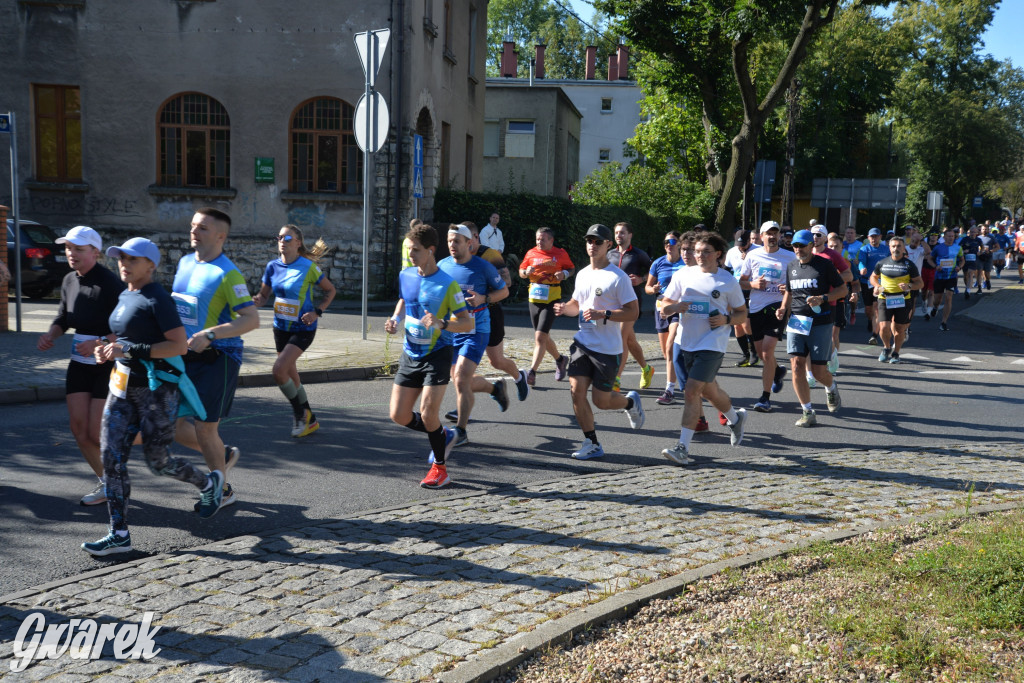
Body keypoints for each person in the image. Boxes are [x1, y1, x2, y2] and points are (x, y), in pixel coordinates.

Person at [81, 238, 223, 556]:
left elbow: (178, 346)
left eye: (133, 259)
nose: (124, 263)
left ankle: (208, 484)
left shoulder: (158, 298)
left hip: (157, 391)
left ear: (151, 265)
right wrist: (106, 345)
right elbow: (126, 333)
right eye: (121, 258)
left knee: (158, 462)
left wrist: (128, 349)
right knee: (111, 457)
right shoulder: (126, 293)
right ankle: (118, 533)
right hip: (121, 388)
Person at [171, 208, 260, 515]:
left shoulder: (227, 273)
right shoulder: (184, 263)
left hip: (218, 358)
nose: (194, 231)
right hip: (182, 357)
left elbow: (251, 319)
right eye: (193, 225)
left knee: (205, 428)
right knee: (169, 425)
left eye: (203, 228)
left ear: (221, 236)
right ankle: (222, 457)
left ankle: (221, 491)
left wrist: (210, 334)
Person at [37, 226, 125, 505]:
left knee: (96, 431)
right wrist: (51, 334)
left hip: (106, 363)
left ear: (95, 252)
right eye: (68, 248)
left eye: (78, 249)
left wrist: (100, 341)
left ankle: (116, 477)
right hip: (79, 363)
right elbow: (63, 316)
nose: (71, 254)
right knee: (78, 429)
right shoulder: (68, 280)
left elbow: (128, 327)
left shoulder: (110, 283)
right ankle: (107, 483)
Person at [385, 222, 473, 489]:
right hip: (410, 353)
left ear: (431, 251)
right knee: (398, 415)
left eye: (416, 250)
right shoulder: (407, 275)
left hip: (437, 353)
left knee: (427, 413)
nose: (411, 255)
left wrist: (442, 323)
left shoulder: (447, 284)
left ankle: (440, 469)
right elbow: (404, 300)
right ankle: (443, 434)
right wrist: (395, 319)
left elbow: (467, 323)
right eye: (409, 250)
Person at [552, 224, 644, 459]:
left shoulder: (618, 277)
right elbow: (576, 305)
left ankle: (629, 403)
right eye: (589, 241)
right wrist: (565, 308)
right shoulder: (583, 274)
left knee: (601, 401)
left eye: (597, 241)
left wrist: (606, 314)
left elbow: (633, 313)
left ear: (608, 245)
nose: (592, 245)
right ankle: (591, 442)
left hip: (607, 349)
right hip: (582, 343)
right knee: (576, 393)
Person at [658, 231, 749, 465]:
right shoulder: (683, 274)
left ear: (718, 254)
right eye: (697, 251)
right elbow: (665, 305)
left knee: (691, 391)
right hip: (686, 341)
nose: (699, 255)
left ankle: (682, 448)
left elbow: (741, 314)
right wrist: (675, 306)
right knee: (709, 391)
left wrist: (726, 320)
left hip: (712, 343)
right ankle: (734, 418)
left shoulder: (727, 280)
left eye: (705, 251)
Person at [251, 224, 336, 437]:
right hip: (280, 327)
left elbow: (330, 290)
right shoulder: (272, 267)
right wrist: (255, 301)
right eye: (279, 237)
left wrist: (317, 312)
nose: (282, 241)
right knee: (290, 372)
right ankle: (311, 419)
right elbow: (263, 296)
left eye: (287, 238)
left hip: (303, 327)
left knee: (279, 370)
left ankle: (300, 415)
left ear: (298, 243)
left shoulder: (308, 267)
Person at [438, 224, 512, 446]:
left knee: (461, 379)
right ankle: (495, 388)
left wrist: (483, 299)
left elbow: (504, 290)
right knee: (461, 381)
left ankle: (461, 431)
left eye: (457, 241)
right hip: (451, 331)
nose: (452, 245)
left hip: (476, 329)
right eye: (450, 241)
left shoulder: (483, 267)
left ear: (468, 243)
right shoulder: (442, 265)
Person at [778, 230, 847, 427]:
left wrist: (823, 298)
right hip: (797, 321)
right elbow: (790, 291)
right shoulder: (791, 266)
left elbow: (843, 289)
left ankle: (831, 387)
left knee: (818, 372)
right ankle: (807, 411)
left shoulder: (824, 265)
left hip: (821, 321)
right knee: (797, 365)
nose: (798, 249)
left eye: (802, 245)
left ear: (811, 246)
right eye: (795, 246)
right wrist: (783, 308)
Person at [463, 222, 530, 403]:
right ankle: (462, 406)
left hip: (490, 312)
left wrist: (482, 294)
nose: (463, 244)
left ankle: (519, 376)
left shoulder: (489, 255)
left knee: (497, 361)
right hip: (466, 317)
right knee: (463, 365)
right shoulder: (458, 257)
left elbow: (507, 282)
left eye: (467, 240)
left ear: (476, 237)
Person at [739, 221, 795, 413]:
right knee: (762, 353)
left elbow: (797, 283)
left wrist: (788, 289)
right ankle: (778, 371)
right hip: (755, 308)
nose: (772, 236)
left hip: (777, 307)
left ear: (779, 235)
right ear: (761, 236)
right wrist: (753, 285)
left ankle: (765, 398)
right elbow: (741, 282)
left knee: (767, 351)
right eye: (768, 233)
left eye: (775, 233)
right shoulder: (752, 255)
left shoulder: (789, 257)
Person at [519, 228, 574, 385]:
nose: (539, 242)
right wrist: (525, 272)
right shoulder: (531, 253)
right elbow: (521, 271)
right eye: (537, 239)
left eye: (542, 239)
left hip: (552, 299)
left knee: (540, 337)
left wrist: (564, 274)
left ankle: (532, 372)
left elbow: (571, 268)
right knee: (543, 336)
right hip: (534, 299)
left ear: (551, 240)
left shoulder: (561, 253)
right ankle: (560, 359)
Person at [607, 221, 654, 391]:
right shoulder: (609, 254)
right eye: (617, 233)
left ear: (630, 235)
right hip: (613, 302)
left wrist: (642, 279)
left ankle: (616, 379)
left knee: (621, 338)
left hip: (631, 302)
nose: (619, 236)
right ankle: (647, 369)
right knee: (630, 339)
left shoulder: (638, 254)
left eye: (622, 233)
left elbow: (653, 272)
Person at [646, 231, 686, 405]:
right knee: (666, 353)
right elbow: (647, 287)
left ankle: (669, 390)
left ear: (679, 244)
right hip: (660, 308)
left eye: (672, 241)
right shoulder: (658, 263)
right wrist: (653, 289)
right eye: (665, 242)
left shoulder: (686, 263)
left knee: (670, 348)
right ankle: (685, 377)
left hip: (677, 309)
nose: (668, 244)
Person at [871, 235, 924, 364]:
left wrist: (909, 286)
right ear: (889, 247)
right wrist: (877, 286)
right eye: (893, 246)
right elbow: (873, 277)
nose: (896, 248)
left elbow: (920, 283)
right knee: (884, 327)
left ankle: (896, 353)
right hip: (884, 298)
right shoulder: (882, 263)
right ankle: (886, 347)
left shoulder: (909, 265)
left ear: (903, 248)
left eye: (899, 246)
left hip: (903, 299)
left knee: (899, 329)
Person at [810, 225, 853, 375]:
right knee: (808, 336)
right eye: (813, 235)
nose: (815, 237)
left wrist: (830, 279)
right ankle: (810, 372)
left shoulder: (833, 255)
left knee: (829, 337)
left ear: (825, 238)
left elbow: (849, 276)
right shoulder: (805, 252)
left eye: (819, 235)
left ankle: (832, 357)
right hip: (808, 301)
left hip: (830, 300)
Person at [724, 229, 757, 367]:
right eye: (739, 244)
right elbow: (726, 270)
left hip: (753, 290)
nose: (741, 247)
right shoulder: (732, 252)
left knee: (746, 323)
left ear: (750, 240)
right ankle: (745, 355)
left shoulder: (758, 251)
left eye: (743, 244)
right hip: (736, 290)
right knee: (737, 325)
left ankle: (754, 352)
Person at [925, 227, 965, 332]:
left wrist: (959, 267)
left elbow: (962, 260)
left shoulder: (958, 248)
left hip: (951, 277)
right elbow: (929, 258)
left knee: (948, 297)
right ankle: (935, 307)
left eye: (952, 236)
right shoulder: (938, 248)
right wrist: (935, 266)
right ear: (944, 237)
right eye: (949, 236)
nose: (951, 238)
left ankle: (944, 322)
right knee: (937, 299)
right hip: (939, 277)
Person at [857, 228, 889, 345]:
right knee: (868, 309)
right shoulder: (864, 249)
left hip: (881, 282)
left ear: (880, 237)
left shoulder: (886, 249)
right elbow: (861, 262)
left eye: (876, 236)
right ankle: (870, 320)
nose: (874, 239)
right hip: (866, 282)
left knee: (876, 307)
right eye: (871, 237)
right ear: (868, 237)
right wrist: (862, 269)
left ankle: (874, 334)